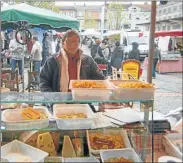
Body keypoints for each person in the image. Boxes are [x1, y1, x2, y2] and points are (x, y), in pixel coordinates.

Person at [39, 30, 104, 92]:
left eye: (76, 42)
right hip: (58, 101)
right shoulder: (52, 61)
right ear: (62, 42)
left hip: (83, 100)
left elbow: (100, 79)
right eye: (69, 41)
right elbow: (44, 82)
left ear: (79, 43)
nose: (72, 45)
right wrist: (52, 99)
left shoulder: (88, 61)